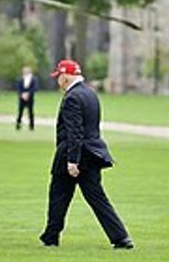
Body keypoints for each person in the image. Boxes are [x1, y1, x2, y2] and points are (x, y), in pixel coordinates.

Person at [39, 59, 133, 250]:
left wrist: (72, 161)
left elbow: (75, 132)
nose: (58, 81)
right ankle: (121, 237)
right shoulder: (90, 93)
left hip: (74, 155)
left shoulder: (72, 98)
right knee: (96, 197)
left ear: (66, 76)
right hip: (92, 154)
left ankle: (51, 236)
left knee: (58, 194)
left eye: (59, 77)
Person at [15, 65, 38, 131]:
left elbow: (34, 88)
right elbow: (18, 88)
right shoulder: (20, 79)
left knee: (30, 112)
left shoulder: (33, 79)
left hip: (30, 98)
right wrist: (22, 94)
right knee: (20, 112)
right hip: (22, 98)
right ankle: (18, 124)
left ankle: (31, 126)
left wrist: (28, 94)